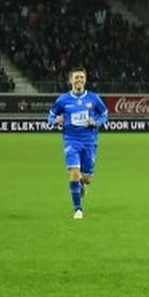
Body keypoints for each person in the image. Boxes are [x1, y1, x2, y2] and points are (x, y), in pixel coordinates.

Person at [46, 67, 108, 220]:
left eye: (81, 77)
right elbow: (50, 117)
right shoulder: (63, 100)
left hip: (89, 141)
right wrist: (55, 121)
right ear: (70, 80)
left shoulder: (93, 98)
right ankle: (78, 209)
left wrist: (96, 122)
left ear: (85, 80)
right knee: (74, 172)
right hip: (71, 140)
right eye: (76, 78)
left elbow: (105, 115)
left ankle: (82, 183)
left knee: (87, 178)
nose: (79, 80)